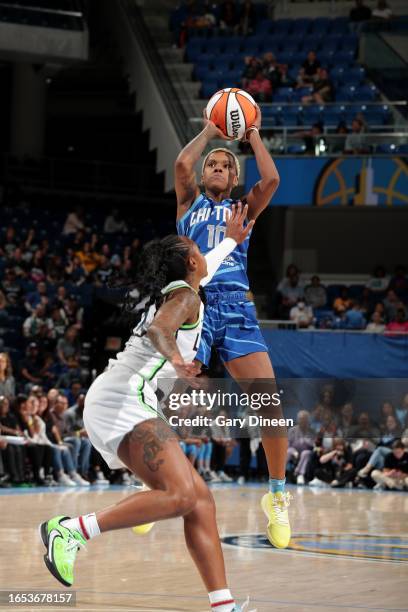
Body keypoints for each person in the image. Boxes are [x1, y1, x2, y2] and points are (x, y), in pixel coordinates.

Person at [39, 206, 253, 612]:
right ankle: (71, 531)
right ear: (191, 260)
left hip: (117, 397)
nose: (205, 256)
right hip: (125, 397)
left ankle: (223, 607)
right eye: (199, 250)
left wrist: (231, 240)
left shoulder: (183, 287)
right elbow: (159, 330)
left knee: (200, 500)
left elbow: (205, 269)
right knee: (178, 495)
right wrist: (177, 361)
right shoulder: (186, 296)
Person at [175, 105, 292, 550]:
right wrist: (212, 128)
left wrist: (254, 135)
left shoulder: (245, 207)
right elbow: (183, 163)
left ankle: (278, 495)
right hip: (194, 306)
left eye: (226, 164)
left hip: (237, 311)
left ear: (235, 175)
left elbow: (273, 181)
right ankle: (150, 481)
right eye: (214, 164)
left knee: (270, 405)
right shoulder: (188, 204)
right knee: (161, 396)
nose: (218, 167)